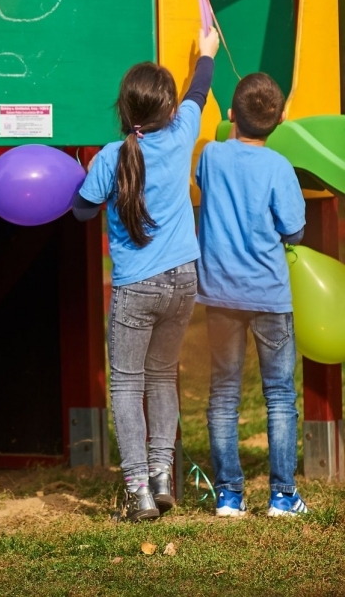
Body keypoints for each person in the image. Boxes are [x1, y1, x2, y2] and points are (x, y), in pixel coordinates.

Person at [73, 28, 219, 522]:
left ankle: (136, 491)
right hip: (183, 281)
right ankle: (160, 476)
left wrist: (81, 181)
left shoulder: (109, 160)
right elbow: (201, 88)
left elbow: (80, 211)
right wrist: (206, 50)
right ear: (170, 111)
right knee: (161, 379)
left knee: (126, 386)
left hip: (136, 287)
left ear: (124, 109)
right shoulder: (182, 136)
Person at [196, 72, 307, 518]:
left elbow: (207, 184)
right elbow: (294, 229)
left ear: (229, 115)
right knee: (279, 395)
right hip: (270, 296)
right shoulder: (279, 166)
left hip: (220, 294)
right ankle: (282, 497)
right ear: (281, 118)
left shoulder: (211, 156)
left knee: (223, 394)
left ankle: (229, 496)